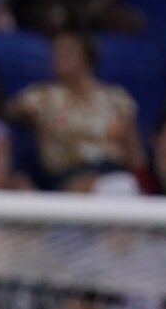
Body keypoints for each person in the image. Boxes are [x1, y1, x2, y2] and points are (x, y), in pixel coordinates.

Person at [13, 29, 140, 191]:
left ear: (87, 56)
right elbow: (6, 112)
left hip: (112, 171)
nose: (57, 57)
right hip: (66, 176)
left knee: (125, 184)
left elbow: (135, 154)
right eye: (55, 52)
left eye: (66, 51)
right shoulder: (43, 97)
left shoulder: (117, 99)